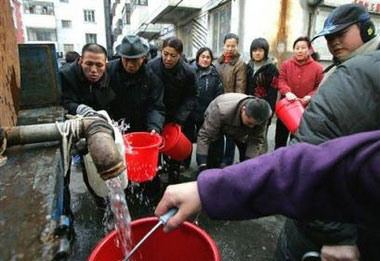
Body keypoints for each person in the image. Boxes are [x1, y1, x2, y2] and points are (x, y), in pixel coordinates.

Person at [276, 4, 380, 259]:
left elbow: (304, 161)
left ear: (367, 29)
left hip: (336, 222)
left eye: (340, 34)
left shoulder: (362, 73)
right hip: (323, 217)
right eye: (329, 38)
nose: (333, 43)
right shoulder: (343, 68)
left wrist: (335, 234)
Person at [155, 130, 380, 233]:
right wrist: (205, 176)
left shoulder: (259, 121)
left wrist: (244, 166)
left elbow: (305, 170)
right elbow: (310, 172)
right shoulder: (222, 110)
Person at [148, 37, 198, 183]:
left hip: (176, 116)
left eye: (173, 55)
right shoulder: (151, 66)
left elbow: (192, 96)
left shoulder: (188, 72)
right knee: (155, 149)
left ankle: (173, 177)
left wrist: (179, 119)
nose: (168, 58)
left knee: (174, 151)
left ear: (180, 55)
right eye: (165, 54)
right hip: (154, 115)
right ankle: (154, 178)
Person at [196, 93, 271, 172]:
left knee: (248, 158)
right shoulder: (220, 110)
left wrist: (248, 163)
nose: (252, 127)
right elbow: (205, 136)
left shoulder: (263, 115)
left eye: (255, 125)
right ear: (243, 109)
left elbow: (256, 140)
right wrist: (202, 164)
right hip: (218, 119)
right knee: (214, 153)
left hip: (240, 127)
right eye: (250, 123)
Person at [107, 34, 165, 133]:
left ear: (143, 58)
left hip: (141, 128)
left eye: (134, 60)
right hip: (113, 127)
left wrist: (154, 127)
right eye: (126, 59)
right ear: (120, 56)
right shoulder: (108, 71)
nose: (130, 65)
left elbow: (156, 106)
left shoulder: (152, 76)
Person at [274, 36, 324, 149]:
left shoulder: (318, 68)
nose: (300, 51)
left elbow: (319, 87)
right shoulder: (286, 65)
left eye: (303, 48)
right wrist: (287, 92)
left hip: (304, 110)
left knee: (297, 140)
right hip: (286, 108)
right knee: (280, 140)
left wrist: (310, 96)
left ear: (309, 50)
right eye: (297, 48)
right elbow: (281, 80)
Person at [182, 47, 224, 169]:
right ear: (198, 57)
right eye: (203, 57)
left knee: (204, 139)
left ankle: (204, 164)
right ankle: (184, 163)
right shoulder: (189, 71)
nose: (205, 60)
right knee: (187, 138)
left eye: (208, 57)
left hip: (206, 112)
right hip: (189, 112)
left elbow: (218, 94)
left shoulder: (214, 74)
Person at [215, 33, 247, 166]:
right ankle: (217, 159)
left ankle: (227, 161)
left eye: (233, 46)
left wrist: (236, 105)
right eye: (228, 45)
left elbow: (241, 86)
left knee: (230, 135)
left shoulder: (240, 64)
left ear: (237, 47)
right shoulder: (218, 62)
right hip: (217, 102)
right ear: (223, 45)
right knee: (217, 133)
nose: (230, 48)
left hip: (232, 103)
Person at [61, 43, 114, 116]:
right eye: (89, 64)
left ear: (105, 65)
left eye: (99, 65)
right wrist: (79, 109)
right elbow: (63, 103)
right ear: (80, 62)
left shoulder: (111, 74)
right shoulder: (65, 76)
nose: (94, 70)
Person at [246, 37, 279, 149]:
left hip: (264, 106)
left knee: (261, 137)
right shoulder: (249, 66)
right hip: (250, 105)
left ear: (265, 51)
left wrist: (269, 111)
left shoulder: (271, 68)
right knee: (248, 135)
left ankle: (262, 161)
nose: (257, 53)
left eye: (260, 50)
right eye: (254, 50)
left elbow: (273, 91)